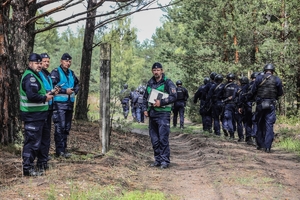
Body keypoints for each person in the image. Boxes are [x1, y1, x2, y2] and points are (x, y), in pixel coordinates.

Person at [20, 53, 53, 176]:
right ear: (30, 63)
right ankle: (28, 169)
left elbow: (38, 92)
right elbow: (31, 95)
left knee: (43, 141)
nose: (39, 65)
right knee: (32, 142)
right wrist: (45, 98)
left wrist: (49, 94)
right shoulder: (30, 77)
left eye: (40, 63)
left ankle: (41, 164)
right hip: (32, 115)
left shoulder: (36, 75)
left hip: (40, 115)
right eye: (36, 63)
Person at [142, 62, 177, 169]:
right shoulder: (150, 82)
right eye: (154, 70)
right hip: (152, 114)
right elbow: (145, 98)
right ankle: (157, 160)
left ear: (162, 71)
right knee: (154, 139)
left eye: (158, 70)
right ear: (152, 71)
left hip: (163, 114)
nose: (156, 72)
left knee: (163, 138)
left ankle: (165, 161)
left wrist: (161, 102)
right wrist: (144, 109)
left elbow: (174, 96)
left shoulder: (168, 82)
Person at [50, 53, 79, 158]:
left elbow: (77, 84)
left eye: (70, 61)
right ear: (61, 61)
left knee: (67, 127)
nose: (68, 63)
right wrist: (64, 90)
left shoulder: (71, 73)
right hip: (59, 104)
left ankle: (64, 149)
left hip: (69, 104)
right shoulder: (56, 72)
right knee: (60, 127)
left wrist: (75, 90)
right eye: (66, 61)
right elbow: (52, 86)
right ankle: (60, 151)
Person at [250, 63, 283, 153]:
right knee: (269, 125)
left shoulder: (259, 78)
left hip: (260, 104)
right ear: (273, 71)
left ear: (265, 70)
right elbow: (280, 93)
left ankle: (261, 145)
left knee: (259, 123)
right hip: (271, 105)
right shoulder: (277, 79)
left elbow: (253, 91)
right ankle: (268, 147)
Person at [36, 53, 59, 172]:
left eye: (48, 61)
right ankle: (40, 161)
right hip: (41, 108)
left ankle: (43, 160)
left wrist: (54, 91)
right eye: (44, 61)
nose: (46, 63)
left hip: (49, 107)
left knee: (46, 135)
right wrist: (49, 92)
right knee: (41, 135)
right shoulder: (38, 74)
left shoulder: (48, 74)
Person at [222, 73, 239, 139]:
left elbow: (221, 95)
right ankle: (232, 131)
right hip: (235, 105)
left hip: (227, 104)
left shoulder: (224, 86)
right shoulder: (236, 86)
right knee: (233, 119)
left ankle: (231, 133)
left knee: (228, 118)